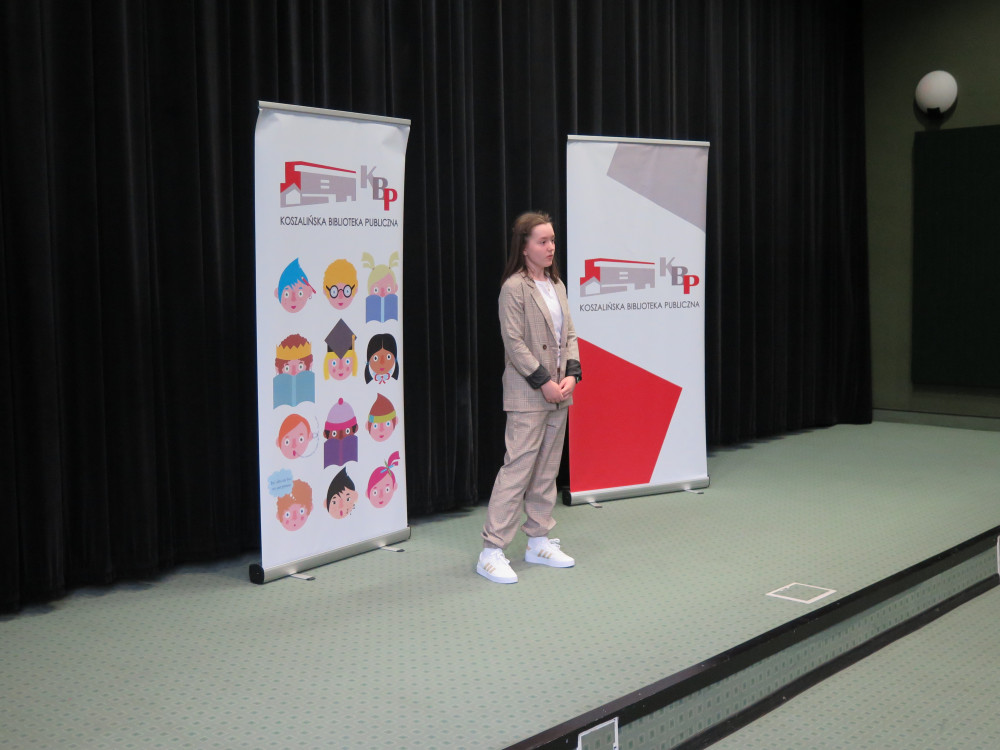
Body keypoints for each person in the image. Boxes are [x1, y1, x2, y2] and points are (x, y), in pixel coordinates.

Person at [477, 211, 582, 584]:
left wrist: (571, 374)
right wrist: (543, 382)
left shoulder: (557, 284)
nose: (551, 247)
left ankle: (538, 541)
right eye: (543, 241)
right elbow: (514, 342)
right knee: (518, 469)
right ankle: (491, 551)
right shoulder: (514, 288)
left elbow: (570, 334)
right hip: (529, 395)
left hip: (559, 394)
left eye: (552, 240)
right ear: (524, 247)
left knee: (547, 469)